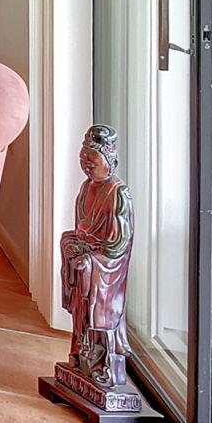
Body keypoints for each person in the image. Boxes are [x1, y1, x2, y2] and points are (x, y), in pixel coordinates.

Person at [61, 125, 133, 391]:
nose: (87, 167)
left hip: (103, 272)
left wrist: (90, 258)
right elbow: (80, 228)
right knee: (81, 316)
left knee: (100, 318)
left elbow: (117, 245)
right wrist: (74, 246)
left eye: (92, 162)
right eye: (83, 161)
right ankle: (81, 359)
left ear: (110, 161)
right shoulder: (85, 187)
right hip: (85, 264)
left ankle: (105, 368)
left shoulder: (118, 194)